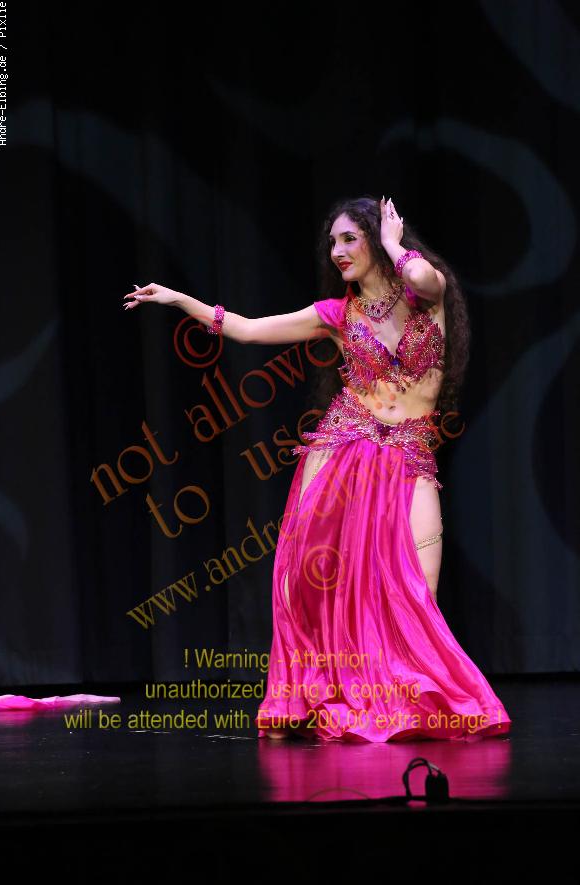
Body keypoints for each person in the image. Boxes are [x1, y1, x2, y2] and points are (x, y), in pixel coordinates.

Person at [123, 194, 512, 744]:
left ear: (377, 238)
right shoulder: (336, 315)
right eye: (333, 242)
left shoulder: (427, 294)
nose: (337, 251)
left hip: (408, 453)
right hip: (344, 446)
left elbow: (423, 278)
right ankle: (307, 691)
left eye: (350, 238)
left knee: (417, 589)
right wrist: (179, 299)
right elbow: (248, 329)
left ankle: (406, 695)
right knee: (309, 575)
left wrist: (396, 246)